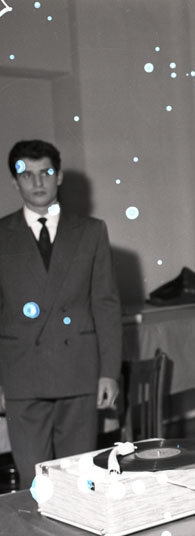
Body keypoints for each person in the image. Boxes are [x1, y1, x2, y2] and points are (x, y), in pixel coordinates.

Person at [0, 140, 121, 489]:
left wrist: (109, 373)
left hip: (78, 371)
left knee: (78, 479)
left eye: (46, 172)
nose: (37, 182)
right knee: (34, 481)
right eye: (27, 175)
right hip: (22, 375)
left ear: (60, 176)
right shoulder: (2, 235)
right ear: (15, 182)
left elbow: (106, 305)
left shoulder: (91, 231)